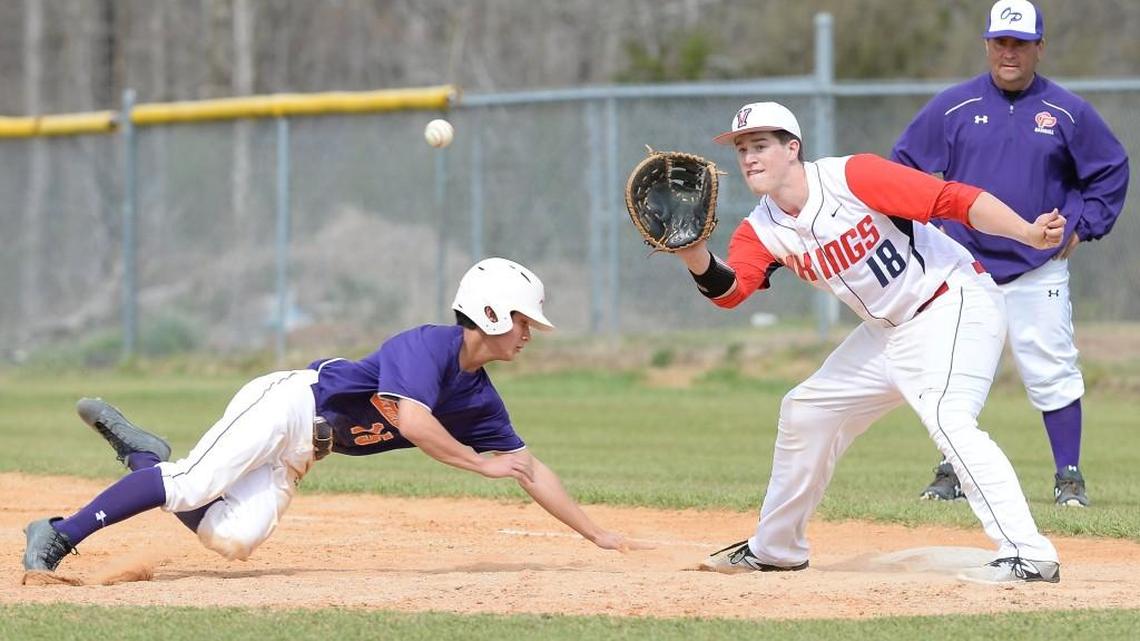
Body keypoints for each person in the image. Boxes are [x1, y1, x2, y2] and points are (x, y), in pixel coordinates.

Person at [23, 257, 642, 575]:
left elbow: (528, 466)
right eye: (525, 320)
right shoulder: (423, 345)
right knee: (192, 485)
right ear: (492, 314)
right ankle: (57, 534)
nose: (531, 333)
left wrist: (598, 534)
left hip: (305, 452)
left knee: (232, 540)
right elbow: (414, 420)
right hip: (290, 405)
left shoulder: (480, 396)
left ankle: (144, 459)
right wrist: (477, 463)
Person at [681, 100, 1066, 584]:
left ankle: (1029, 554)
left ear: (792, 149)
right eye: (742, 149)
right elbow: (732, 291)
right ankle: (776, 549)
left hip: (952, 301)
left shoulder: (850, 178)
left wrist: (1027, 232)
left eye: (760, 145)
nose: (749, 158)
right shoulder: (761, 228)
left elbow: (953, 199)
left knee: (948, 416)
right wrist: (695, 254)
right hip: (887, 332)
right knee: (806, 410)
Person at [891, 0, 1129, 507]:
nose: (1009, 52)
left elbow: (1109, 169)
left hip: (1037, 264)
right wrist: (928, 230)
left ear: (1039, 47)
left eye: (1020, 43)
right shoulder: (952, 107)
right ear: (986, 45)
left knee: (1052, 368)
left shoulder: (1068, 112)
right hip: (963, 264)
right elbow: (903, 168)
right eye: (1001, 41)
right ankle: (952, 467)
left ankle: (1068, 475)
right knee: (953, 371)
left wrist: (1083, 228)